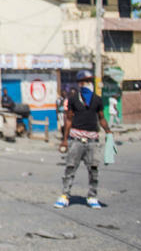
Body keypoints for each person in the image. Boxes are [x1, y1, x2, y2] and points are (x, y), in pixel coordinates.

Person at [55, 70, 112, 210]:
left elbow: (101, 118)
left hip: (92, 140)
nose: (87, 84)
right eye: (85, 81)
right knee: (70, 168)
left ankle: (92, 196)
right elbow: (69, 120)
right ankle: (65, 195)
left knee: (93, 170)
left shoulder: (97, 100)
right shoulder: (73, 99)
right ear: (80, 83)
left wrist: (109, 132)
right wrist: (64, 139)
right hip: (76, 140)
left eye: (89, 81)